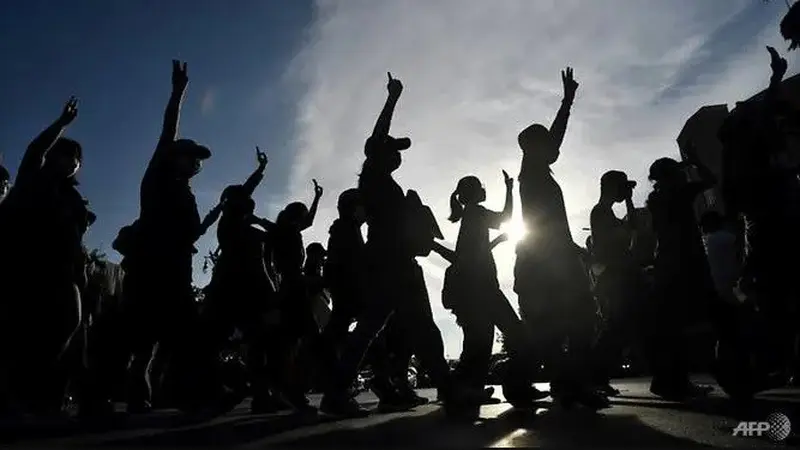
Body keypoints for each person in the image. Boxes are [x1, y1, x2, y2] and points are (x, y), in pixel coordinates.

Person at [320, 73, 485, 418]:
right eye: (393, 149)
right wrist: (392, 99)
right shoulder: (373, 176)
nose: (398, 155)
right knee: (387, 329)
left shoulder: (390, 185)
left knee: (414, 329)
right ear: (380, 154)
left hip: (399, 263)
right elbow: (376, 138)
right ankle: (337, 394)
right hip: (389, 264)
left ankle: (445, 387)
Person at [120, 60, 229, 413]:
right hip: (153, 270)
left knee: (168, 338)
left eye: (199, 160)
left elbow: (192, 234)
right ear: (175, 158)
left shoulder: (186, 193)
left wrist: (216, 212)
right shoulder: (158, 179)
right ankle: (180, 394)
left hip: (176, 271)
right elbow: (167, 133)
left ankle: (179, 394)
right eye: (190, 156)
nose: (196, 163)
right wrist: (178, 93)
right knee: (150, 337)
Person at [513, 67, 608, 409]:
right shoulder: (532, 173)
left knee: (561, 324)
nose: (553, 150)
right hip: (548, 262)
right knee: (573, 319)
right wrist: (567, 102)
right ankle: (565, 384)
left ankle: (546, 381)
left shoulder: (537, 173)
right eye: (545, 145)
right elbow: (555, 139)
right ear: (535, 148)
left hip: (554, 258)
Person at [0, 97, 90, 416]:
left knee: (71, 332)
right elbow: (35, 150)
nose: (72, 162)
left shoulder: (73, 199)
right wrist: (62, 123)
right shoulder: (33, 183)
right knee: (32, 333)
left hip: (66, 272)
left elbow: (76, 240)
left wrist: (82, 270)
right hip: (31, 270)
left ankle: (48, 399)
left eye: (77, 159)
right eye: (67, 155)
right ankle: (24, 395)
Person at [437, 171, 547, 407]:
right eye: (480, 186)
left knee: (480, 341)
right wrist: (509, 189)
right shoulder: (476, 212)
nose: (483, 189)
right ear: (475, 192)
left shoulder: (470, 216)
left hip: (476, 289)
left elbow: (470, 255)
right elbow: (506, 217)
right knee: (516, 334)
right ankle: (516, 385)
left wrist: (496, 242)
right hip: (484, 289)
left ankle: (467, 388)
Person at [201, 147, 282, 413]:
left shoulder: (242, 228)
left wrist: (259, 171)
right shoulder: (236, 227)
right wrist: (258, 174)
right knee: (242, 342)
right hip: (236, 289)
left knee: (255, 343)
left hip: (239, 289)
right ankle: (233, 391)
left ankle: (256, 393)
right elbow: (244, 193)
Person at [645, 143, 717, 401]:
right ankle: (677, 381)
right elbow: (711, 179)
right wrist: (694, 162)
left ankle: (668, 380)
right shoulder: (681, 192)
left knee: (671, 325)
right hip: (686, 261)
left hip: (666, 262)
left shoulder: (655, 198)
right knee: (689, 321)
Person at [590, 170, 647, 397]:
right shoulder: (601, 212)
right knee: (615, 329)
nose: (626, 192)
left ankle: (596, 376)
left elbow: (633, 229)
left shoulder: (609, 213)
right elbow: (625, 234)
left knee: (619, 328)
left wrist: (631, 200)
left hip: (623, 274)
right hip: (617, 276)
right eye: (623, 187)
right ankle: (594, 376)